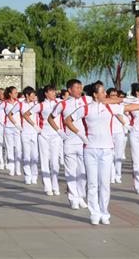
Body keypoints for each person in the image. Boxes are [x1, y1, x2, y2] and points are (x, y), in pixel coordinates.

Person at [64, 83, 139, 225]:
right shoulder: (85, 109)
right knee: (92, 183)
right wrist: (81, 135)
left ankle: (104, 213)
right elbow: (68, 120)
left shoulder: (110, 107)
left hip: (107, 149)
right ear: (95, 94)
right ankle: (94, 213)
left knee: (105, 184)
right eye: (102, 91)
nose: (105, 94)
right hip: (90, 149)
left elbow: (129, 107)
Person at [49, 79, 89, 209]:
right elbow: (50, 118)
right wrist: (59, 131)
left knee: (83, 172)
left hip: (83, 142)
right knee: (71, 172)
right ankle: (73, 198)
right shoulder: (63, 104)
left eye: (80, 87)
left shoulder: (86, 101)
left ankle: (80, 196)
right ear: (70, 90)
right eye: (77, 88)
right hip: (69, 142)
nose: (79, 90)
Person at [18, 87, 40, 185]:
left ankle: (34, 176)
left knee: (35, 156)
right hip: (25, 132)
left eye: (35, 94)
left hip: (35, 132)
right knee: (26, 155)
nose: (34, 96)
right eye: (32, 94)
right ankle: (27, 176)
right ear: (27, 95)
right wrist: (17, 125)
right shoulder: (20, 104)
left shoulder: (36, 104)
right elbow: (10, 114)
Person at [2, 86, 23, 177]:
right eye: (15, 92)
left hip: (17, 127)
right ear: (10, 94)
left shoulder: (19, 103)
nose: (16, 94)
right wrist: (1, 122)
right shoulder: (4, 103)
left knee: (18, 149)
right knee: (9, 148)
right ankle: (11, 168)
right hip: (8, 127)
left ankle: (18, 168)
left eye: (17, 92)